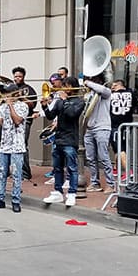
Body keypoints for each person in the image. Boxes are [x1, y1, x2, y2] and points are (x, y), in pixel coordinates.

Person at [42, 76, 85, 207]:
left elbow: (72, 114)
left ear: (73, 87)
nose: (64, 88)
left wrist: (65, 100)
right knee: (57, 168)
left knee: (72, 168)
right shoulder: (60, 101)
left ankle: (72, 193)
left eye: (67, 85)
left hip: (70, 139)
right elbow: (50, 115)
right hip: (59, 138)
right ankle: (58, 192)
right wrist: (45, 106)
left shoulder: (79, 102)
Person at [0, 85, 29, 213]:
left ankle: (16, 200)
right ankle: (0, 199)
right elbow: (0, 125)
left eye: (8, 93)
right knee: (1, 173)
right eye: (5, 94)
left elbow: (17, 121)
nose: (5, 96)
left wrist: (10, 105)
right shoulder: (3, 106)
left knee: (16, 174)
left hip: (17, 145)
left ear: (15, 94)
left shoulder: (23, 106)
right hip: (4, 145)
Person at [83, 75, 115, 193]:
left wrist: (88, 82)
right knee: (90, 158)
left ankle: (111, 184)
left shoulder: (105, 92)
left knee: (103, 157)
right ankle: (95, 183)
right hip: (89, 128)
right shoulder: (89, 95)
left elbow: (102, 90)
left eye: (93, 80)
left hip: (102, 127)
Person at [12, 66, 36, 180]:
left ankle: (26, 173)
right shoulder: (11, 88)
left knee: (23, 145)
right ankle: (16, 171)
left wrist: (21, 97)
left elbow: (32, 104)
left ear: (23, 77)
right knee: (14, 146)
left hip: (25, 120)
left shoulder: (28, 89)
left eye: (19, 76)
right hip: (12, 121)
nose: (17, 78)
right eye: (16, 76)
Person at [109, 79, 136, 180]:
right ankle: (116, 168)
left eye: (113, 86)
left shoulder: (111, 95)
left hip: (115, 125)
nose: (112, 88)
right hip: (126, 124)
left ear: (117, 85)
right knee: (118, 148)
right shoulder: (131, 94)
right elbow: (135, 105)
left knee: (120, 149)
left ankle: (128, 171)